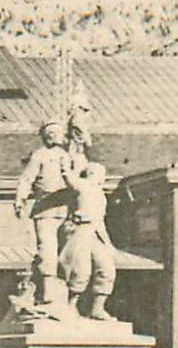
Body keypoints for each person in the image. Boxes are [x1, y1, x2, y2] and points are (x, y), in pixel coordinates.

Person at [14, 121, 75, 306]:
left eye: (55, 132)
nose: (52, 135)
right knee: (47, 248)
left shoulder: (70, 155)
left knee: (69, 249)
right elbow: (26, 179)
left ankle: (67, 291)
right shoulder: (39, 155)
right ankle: (48, 289)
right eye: (48, 132)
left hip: (68, 209)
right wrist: (20, 199)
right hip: (45, 208)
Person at [58, 159, 118, 320]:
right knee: (80, 270)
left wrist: (109, 244)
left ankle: (97, 308)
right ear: (92, 174)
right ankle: (70, 306)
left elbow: (100, 221)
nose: (103, 179)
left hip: (96, 232)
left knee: (107, 269)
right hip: (81, 230)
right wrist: (65, 166)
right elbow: (70, 180)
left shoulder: (101, 195)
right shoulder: (82, 185)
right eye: (101, 175)